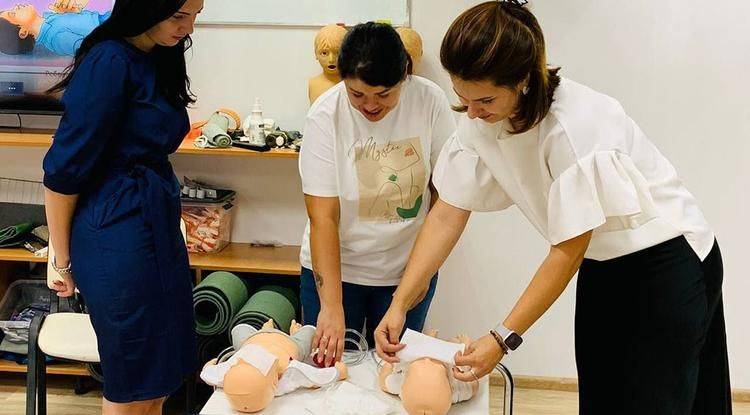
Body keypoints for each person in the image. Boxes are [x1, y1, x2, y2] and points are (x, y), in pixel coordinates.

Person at [375, 2, 731, 414]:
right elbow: (447, 213)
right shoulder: (479, 119)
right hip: (604, 263)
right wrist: (400, 303)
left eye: (485, 100)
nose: (472, 113)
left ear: (523, 79)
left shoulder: (574, 127)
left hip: (668, 262)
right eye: (463, 98)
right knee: (603, 398)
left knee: (659, 402)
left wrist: (502, 338)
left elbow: (567, 250)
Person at [42, 0, 203, 413]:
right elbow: (62, 174)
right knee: (133, 376)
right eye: (179, 16)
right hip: (115, 228)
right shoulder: (109, 61)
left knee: (162, 373)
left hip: (157, 224)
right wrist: (61, 259)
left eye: (196, 16)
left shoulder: (160, 54)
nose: (188, 28)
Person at [299, 22, 456, 367]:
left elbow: (447, 201)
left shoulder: (430, 101)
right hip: (336, 271)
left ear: (405, 76)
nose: (370, 106)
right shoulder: (326, 114)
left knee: (394, 374)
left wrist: (405, 295)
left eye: (384, 94)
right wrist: (331, 306)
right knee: (329, 374)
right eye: (357, 94)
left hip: (406, 270)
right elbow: (323, 216)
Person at [0, 1, 110, 56]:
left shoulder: (50, 17)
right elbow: (93, 50)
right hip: (110, 28)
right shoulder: (56, 38)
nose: (16, 6)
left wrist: (71, 13)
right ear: (23, 32)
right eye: (13, 14)